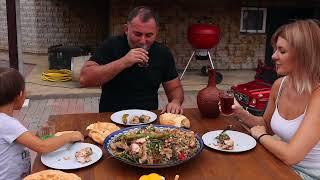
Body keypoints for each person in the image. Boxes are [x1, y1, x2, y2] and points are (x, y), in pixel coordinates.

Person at [232, 19, 320, 179]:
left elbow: (291, 155)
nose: (273, 56)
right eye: (275, 50)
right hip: (282, 165)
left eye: (282, 51)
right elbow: (267, 126)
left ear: (303, 55)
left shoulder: (318, 96)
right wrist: (239, 112)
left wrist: (261, 136)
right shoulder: (279, 85)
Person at [80, 6, 184, 114]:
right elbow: (85, 78)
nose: (143, 41)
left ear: (156, 32)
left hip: (147, 120)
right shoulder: (111, 45)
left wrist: (175, 102)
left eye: (149, 35)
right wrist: (124, 62)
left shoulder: (162, 53)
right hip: (111, 119)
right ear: (126, 29)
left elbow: (174, 88)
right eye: (137, 34)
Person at [0, 67, 84, 179]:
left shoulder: (4, 121)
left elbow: (18, 140)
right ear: (20, 95)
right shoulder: (7, 123)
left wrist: (36, 136)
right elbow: (42, 147)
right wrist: (69, 136)